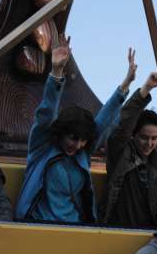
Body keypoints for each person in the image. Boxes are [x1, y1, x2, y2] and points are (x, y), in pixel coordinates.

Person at [15, 36, 135, 223]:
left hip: (72, 227)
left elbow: (103, 121)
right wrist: (56, 70)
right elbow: (47, 111)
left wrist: (125, 85)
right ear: (61, 133)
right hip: (38, 225)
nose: (78, 145)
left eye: (83, 140)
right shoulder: (42, 149)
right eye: (73, 138)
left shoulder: (82, 155)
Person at [104, 50, 157, 229]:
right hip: (116, 229)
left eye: (154, 138)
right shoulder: (121, 153)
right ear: (134, 135)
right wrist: (146, 88)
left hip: (149, 235)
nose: (149, 143)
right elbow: (123, 123)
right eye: (144, 138)